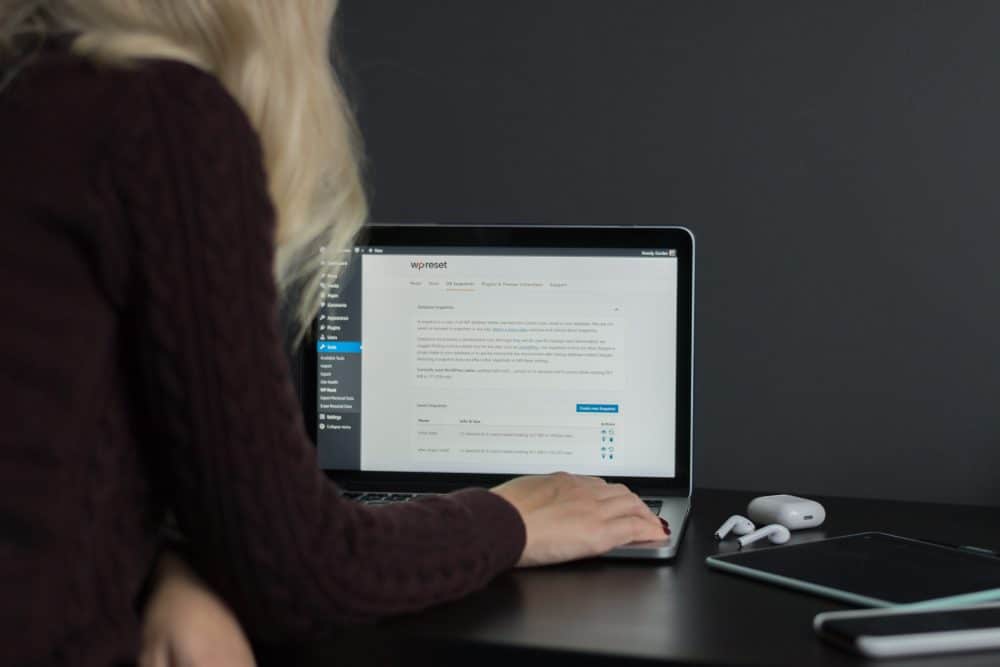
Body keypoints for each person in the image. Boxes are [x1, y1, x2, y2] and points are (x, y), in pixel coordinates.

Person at [0, 2, 667, 665]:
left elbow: (61, 452)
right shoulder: (157, 117)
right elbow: (301, 568)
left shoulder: (31, 91)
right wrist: (516, 517)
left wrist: (179, 566)